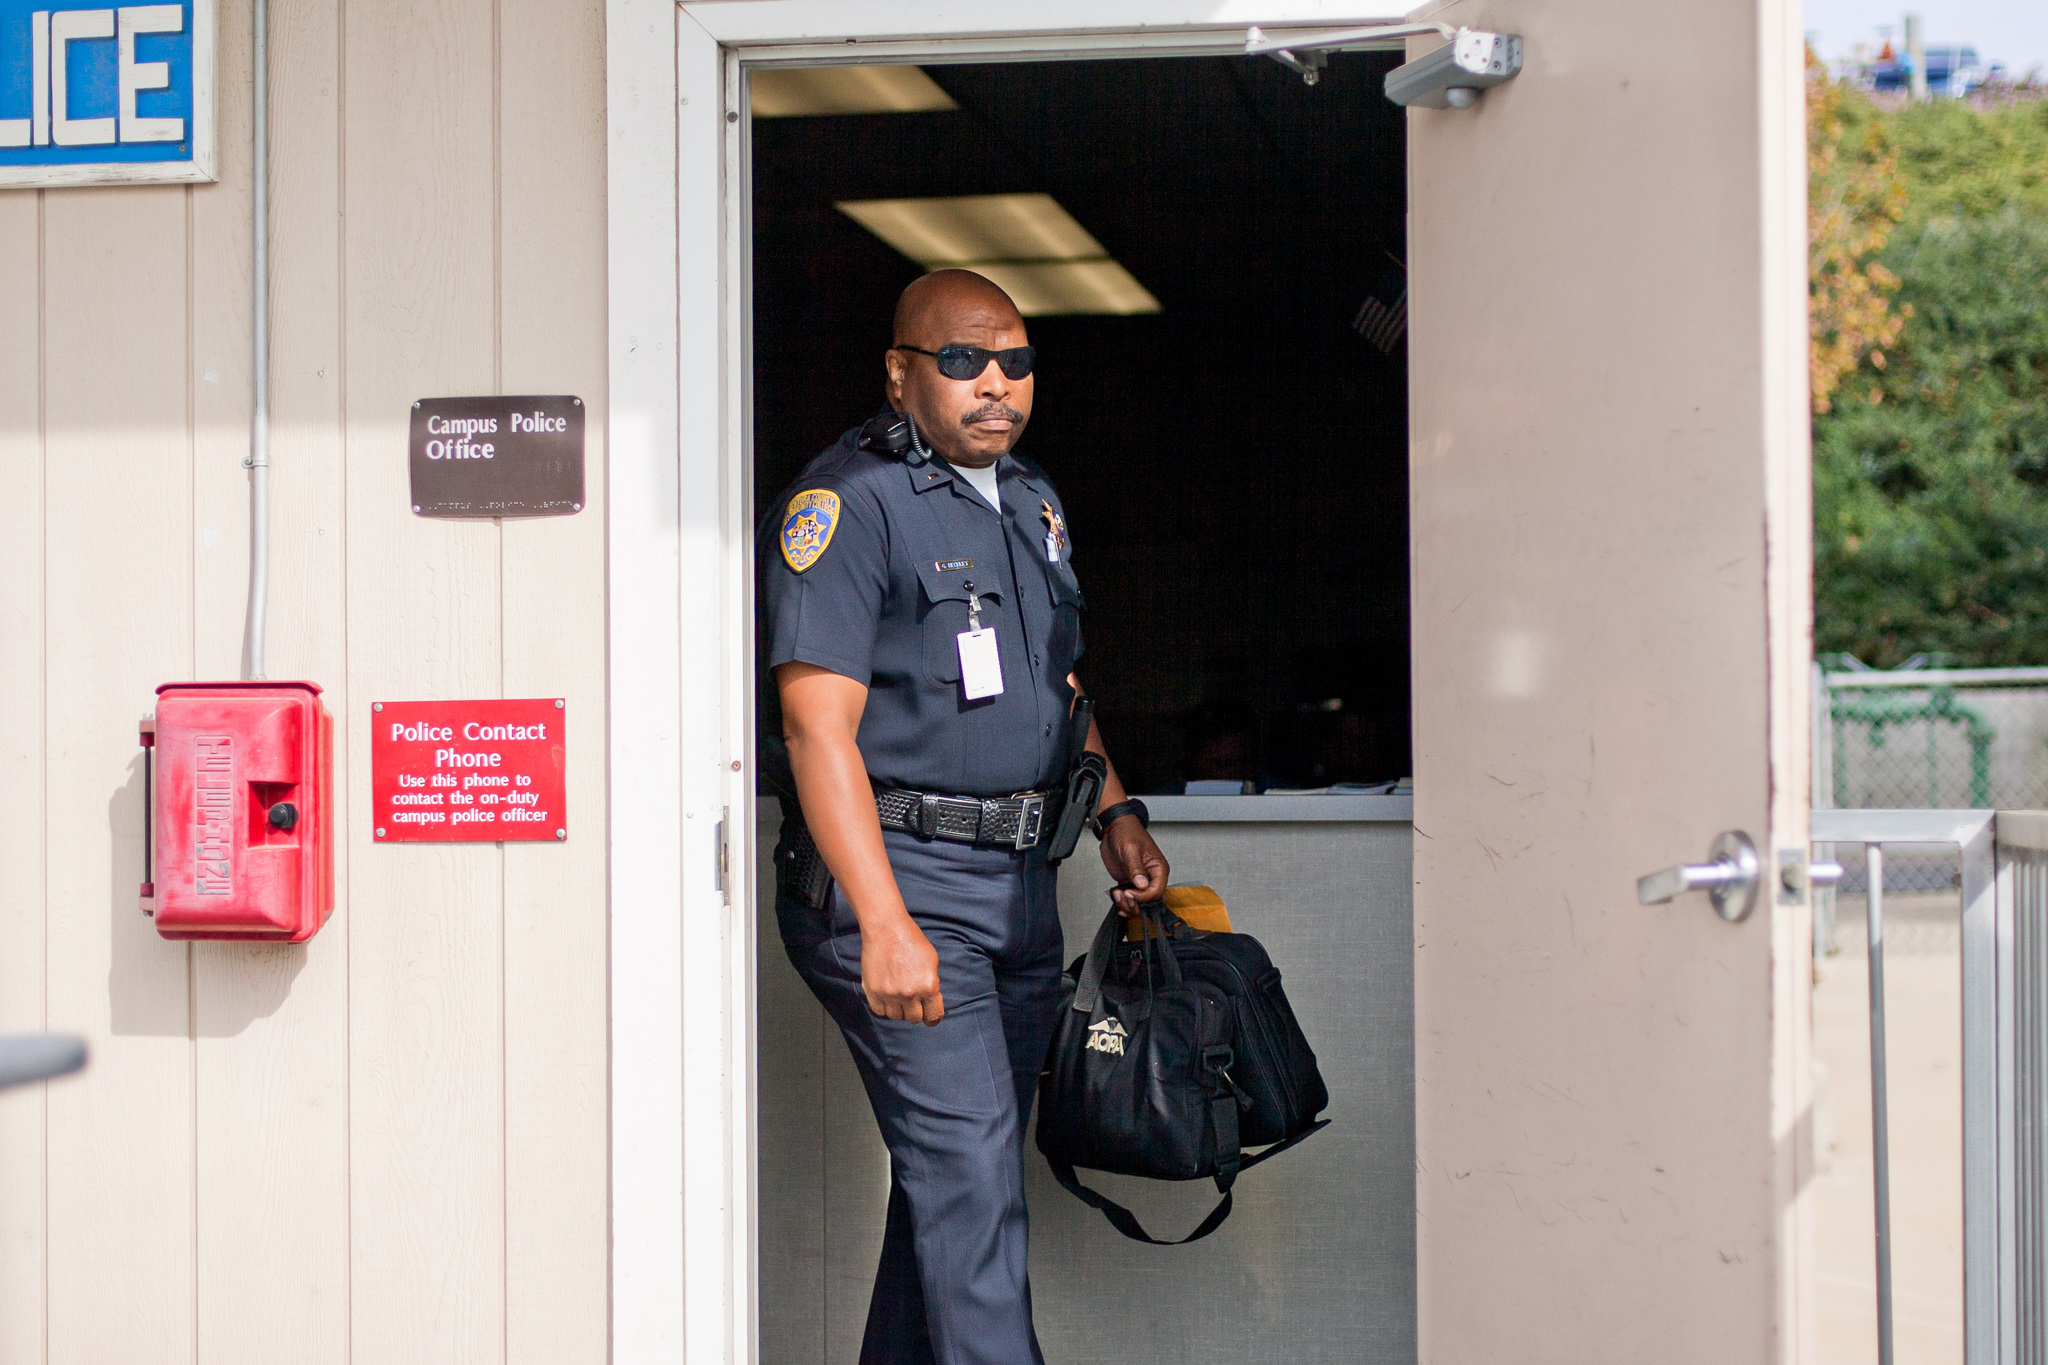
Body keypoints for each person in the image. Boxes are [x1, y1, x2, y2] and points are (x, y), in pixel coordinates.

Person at [759, 268, 1168, 1365]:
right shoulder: (846, 507)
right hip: (900, 880)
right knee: (971, 1178)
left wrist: (1113, 808)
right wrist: (883, 920)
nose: (995, 384)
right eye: (961, 361)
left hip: (1016, 893)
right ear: (899, 376)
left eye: (1015, 362)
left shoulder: (1030, 500)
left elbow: (1055, 685)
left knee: (960, 1179)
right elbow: (815, 733)